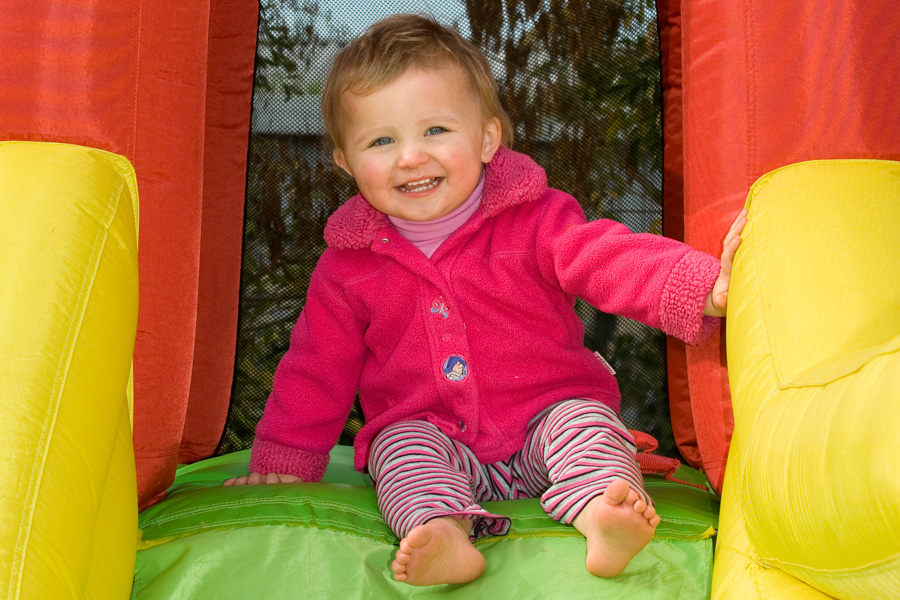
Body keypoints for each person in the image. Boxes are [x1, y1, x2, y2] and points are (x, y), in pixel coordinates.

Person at [225, 13, 746, 586]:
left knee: (586, 422)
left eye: (436, 131)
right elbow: (315, 369)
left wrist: (698, 286)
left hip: (545, 425)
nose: (410, 157)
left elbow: (607, 258)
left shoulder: (536, 221)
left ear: (487, 138)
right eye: (381, 140)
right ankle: (441, 530)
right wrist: (283, 463)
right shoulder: (348, 267)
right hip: (436, 439)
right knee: (398, 447)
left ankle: (603, 511)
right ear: (346, 162)